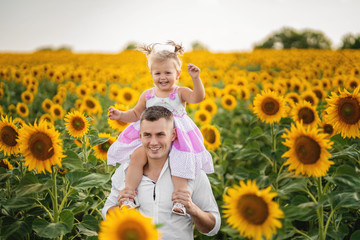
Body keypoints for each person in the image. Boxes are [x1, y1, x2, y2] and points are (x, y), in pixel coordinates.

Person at [107, 41, 214, 215]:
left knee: (180, 164)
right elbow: (135, 114)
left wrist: (196, 78)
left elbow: (197, 97)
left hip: (178, 138)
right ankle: (129, 195)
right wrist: (120, 115)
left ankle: (179, 200)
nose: (162, 77)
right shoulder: (148, 94)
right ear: (151, 74)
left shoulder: (180, 92)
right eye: (158, 73)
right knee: (137, 157)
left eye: (167, 73)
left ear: (177, 74)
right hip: (154, 137)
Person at [102, 106, 220, 239]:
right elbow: (107, 213)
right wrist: (121, 209)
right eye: (147, 135)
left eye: (160, 134)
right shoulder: (124, 172)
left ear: (173, 135)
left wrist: (192, 209)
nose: (153, 142)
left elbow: (213, 227)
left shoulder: (192, 172)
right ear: (140, 135)